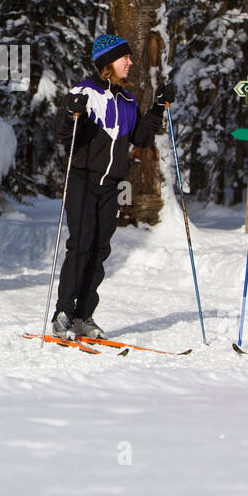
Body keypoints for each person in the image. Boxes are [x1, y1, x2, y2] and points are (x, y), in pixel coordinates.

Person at [51, 34, 173, 339]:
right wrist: (71, 112)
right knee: (80, 245)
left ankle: (84, 315)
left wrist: (158, 107)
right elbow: (65, 135)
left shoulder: (128, 100)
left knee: (99, 250)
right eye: (125, 58)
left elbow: (141, 138)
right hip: (82, 179)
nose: (130, 63)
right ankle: (63, 312)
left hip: (112, 185)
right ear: (108, 62)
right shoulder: (85, 92)